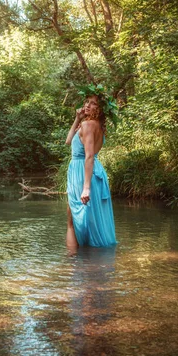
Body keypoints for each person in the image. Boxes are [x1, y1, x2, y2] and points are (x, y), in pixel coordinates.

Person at [65, 93, 117, 251]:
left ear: (100, 109)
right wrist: (77, 118)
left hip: (83, 173)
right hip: (91, 172)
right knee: (90, 221)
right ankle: (93, 264)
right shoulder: (93, 125)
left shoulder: (89, 126)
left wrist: (86, 187)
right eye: (86, 102)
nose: (87, 105)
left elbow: (89, 156)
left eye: (93, 103)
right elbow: (68, 141)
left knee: (72, 221)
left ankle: (73, 264)